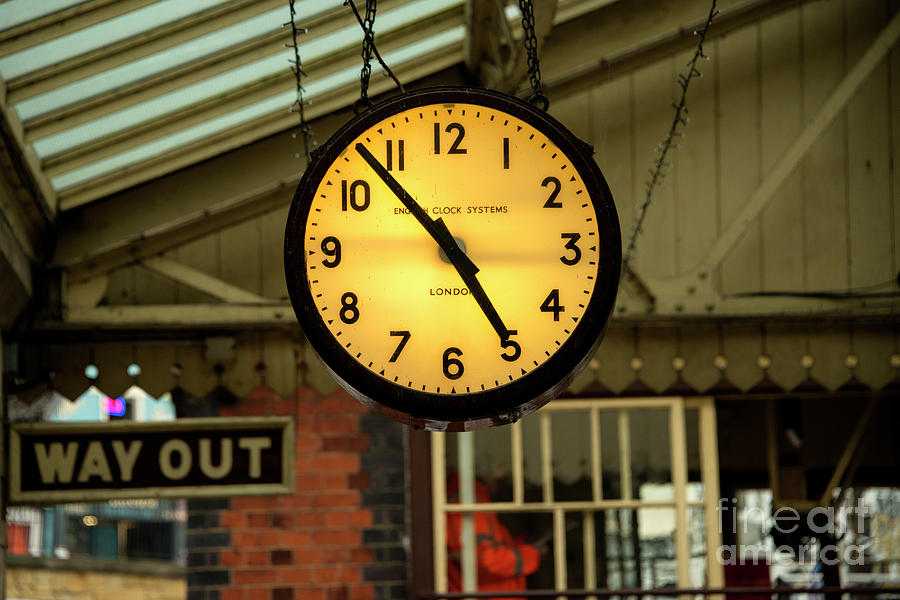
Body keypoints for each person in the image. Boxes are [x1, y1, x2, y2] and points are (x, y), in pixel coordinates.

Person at [446, 473, 542, 599]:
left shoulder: (469, 498)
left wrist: (521, 545)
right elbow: (486, 560)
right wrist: (529, 555)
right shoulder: (469, 500)